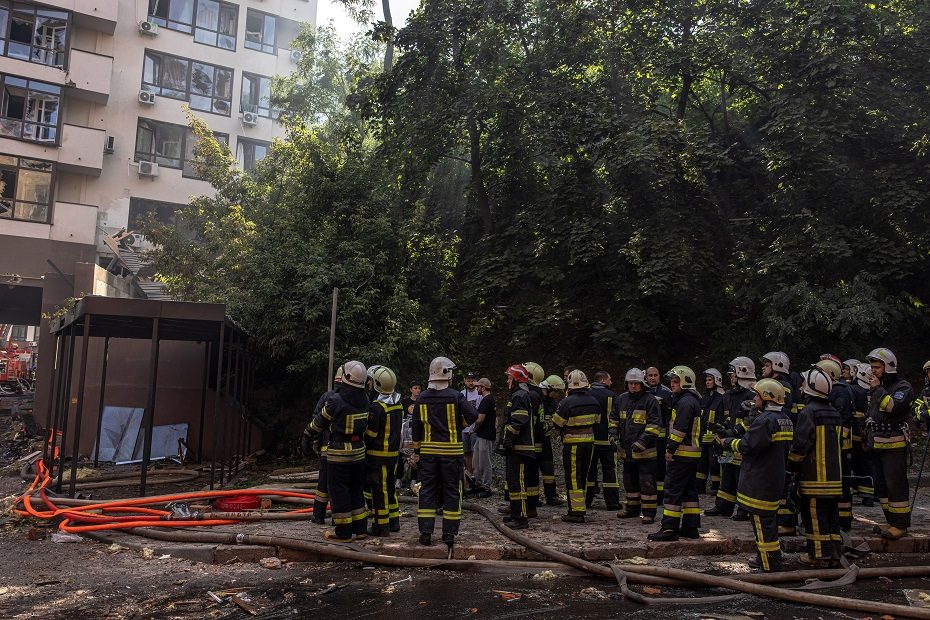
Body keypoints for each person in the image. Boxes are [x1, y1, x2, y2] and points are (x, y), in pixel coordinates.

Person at [718, 378, 793, 572]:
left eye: (757, 395)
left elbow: (747, 446)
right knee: (767, 525)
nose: (754, 398)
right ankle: (767, 559)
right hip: (773, 479)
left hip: (760, 481)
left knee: (763, 526)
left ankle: (769, 566)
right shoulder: (784, 419)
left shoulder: (765, 420)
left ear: (767, 398)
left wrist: (727, 442)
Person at [412, 356, 479, 548]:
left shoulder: (422, 397)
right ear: (448, 374)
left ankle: (426, 532)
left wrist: (417, 450)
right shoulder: (456, 396)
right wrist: (459, 425)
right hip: (451, 453)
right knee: (452, 491)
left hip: (428, 454)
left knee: (427, 491)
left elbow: (416, 427)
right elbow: (473, 415)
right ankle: (449, 534)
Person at [307, 360, 370, 542]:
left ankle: (343, 532)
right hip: (359, 453)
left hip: (339, 454)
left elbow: (319, 422)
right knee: (356, 490)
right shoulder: (365, 399)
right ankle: (360, 529)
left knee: (339, 491)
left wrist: (306, 436)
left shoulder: (336, 400)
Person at [789, 366, 843, 567]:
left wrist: (791, 465)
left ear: (811, 387)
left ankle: (818, 556)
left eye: (804, 384)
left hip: (814, 479)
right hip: (834, 480)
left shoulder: (809, 412)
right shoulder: (834, 413)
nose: (801, 387)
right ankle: (835, 555)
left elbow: (801, 445)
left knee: (815, 518)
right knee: (832, 518)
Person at [865, 347, 915, 540]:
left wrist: (878, 388)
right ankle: (891, 520)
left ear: (888, 367)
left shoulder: (903, 387)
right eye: (872, 367)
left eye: (877, 367)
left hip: (894, 446)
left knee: (896, 486)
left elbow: (892, 408)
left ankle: (900, 525)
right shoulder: (879, 386)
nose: (873, 370)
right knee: (881, 487)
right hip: (877, 445)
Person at [648, 366, 702, 542]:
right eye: (671, 381)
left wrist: (670, 449)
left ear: (686, 382)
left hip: (681, 453)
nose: (672, 384)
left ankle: (669, 528)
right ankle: (690, 527)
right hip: (690, 454)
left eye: (676, 381)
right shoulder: (690, 400)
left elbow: (679, 429)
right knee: (689, 492)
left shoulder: (685, 402)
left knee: (672, 490)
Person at [706, 356, 755, 521]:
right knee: (727, 475)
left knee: (743, 478)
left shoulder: (752, 394)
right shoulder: (729, 395)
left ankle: (743, 510)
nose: (731, 376)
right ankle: (723, 506)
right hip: (731, 441)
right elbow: (730, 416)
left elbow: (752, 420)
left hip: (744, 442)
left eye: (733, 373)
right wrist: (722, 430)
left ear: (742, 372)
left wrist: (734, 431)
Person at [611, 368, 662, 524]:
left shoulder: (650, 400)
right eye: (631, 383)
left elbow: (655, 425)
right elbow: (614, 420)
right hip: (627, 452)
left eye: (636, 383)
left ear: (642, 384)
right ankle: (632, 510)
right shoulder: (621, 399)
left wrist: (642, 442)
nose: (633, 386)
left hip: (645, 452)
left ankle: (649, 513)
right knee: (629, 481)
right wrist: (613, 435)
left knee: (647, 483)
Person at [551, 370, 599, 522]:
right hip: (589, 443)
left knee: (573, 477)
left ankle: (576, 512)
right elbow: (597, 421)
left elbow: (557, 423)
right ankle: (581, 506)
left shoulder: (566, 402)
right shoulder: (594, 400)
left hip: (572, 445)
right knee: (583, 475)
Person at [760, 351, 799, 535]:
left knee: (784, 482)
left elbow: (781, 414)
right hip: (781, 438)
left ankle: (787, 522)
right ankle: (782, 519)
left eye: (767, 365)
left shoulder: (783, 386)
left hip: (782, 440)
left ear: (777, 367)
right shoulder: (780, 385)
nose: (763, 368)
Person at [816, 356, 855, 532]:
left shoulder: (839, 391)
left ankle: (843, 522)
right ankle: (839, 521)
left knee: (842, 484)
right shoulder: (839, 389)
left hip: (839, 446)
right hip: (837, 445)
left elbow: (841, 418)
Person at [499, 364, 539, 530]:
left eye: (509, 378)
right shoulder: (519, 394)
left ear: (516, 380)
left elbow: (519, 421)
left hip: (520, 447)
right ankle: (516, 513)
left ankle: (521, 518)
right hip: (517, 447)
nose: (507, 381)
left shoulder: (519, 396)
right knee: (514, 482)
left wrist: (508, 437)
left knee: (518, 484)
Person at [365, 366, 403, 536]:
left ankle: (381, 526)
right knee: (390, 488)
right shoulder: (398, 403)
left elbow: (371, 433)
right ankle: (394, 522)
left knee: (379, 491)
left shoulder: (377, 407)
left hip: (377, 455)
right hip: (393, 454)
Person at [303, 366, 342, 525]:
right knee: (339, 485)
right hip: (345, 452)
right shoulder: (355, 399)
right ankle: (337, 518)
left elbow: (316, 419)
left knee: (323, 484)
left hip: (326, 448)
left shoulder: (328, 396)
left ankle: (318, 516)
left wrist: (313, 440)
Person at [587, 371, 621, 510]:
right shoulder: (612, 396)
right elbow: (616, 417)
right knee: (610, 472)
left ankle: (586, 502)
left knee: (589, 472)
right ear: (603, 381)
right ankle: (612, 503)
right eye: (609, 379)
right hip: (608, 441)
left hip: (590, 440)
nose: (611, 382)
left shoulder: (586, 393)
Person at [524, 362, 552, 507]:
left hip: (530, 442)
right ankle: (532, 503)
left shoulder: (530, 395)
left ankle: (530, 504)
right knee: (532, 473)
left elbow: (528, 421)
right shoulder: (538, 394)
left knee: (529, 473)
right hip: (538, 441)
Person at [645, 366, 673, 505]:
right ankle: (648, 493)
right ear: (646, 377)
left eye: (655, 375)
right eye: (650, 375)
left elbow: (669, 417)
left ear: (659, 376)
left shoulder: (666, 393)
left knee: (661, 467)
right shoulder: (642, 391)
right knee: (647, 466)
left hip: (661, 438)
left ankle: (660, 496)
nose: (653, 377)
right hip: (646, 436)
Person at [848, 361, 874, 505]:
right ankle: (868, 494)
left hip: (855, 432)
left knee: (855, 463)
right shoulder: (874, 390)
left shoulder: (853, 389)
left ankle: (856, 490)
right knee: (866, 464)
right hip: (869, 434)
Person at [538, 374, 567, 506]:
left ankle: (551, 496)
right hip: (534, 440)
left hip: (546, 439)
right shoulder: (536, 398)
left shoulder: (551, 401)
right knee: (532, 470)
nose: (557, 395)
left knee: (548, 469)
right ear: (550, 389)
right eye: (556, 392)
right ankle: (532, 499)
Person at [698, 369, 726, 495]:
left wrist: (718, 434)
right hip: (702, 436)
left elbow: (721, 418)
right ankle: (699, 487)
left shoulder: (721, 398)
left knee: (713, 463)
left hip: (714, 437)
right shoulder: (703, 398)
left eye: (710, 380)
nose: (707, 382)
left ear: (717, 381)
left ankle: (716, 487)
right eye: (706, 380)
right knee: (701, 463)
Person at [471, 377, 496, 498]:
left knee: (485, 462)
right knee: (477, 461)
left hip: (486, 435)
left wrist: (473, 428)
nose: (476, 389)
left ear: (483, 388)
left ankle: (486, 487)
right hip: (482, 434)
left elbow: (480, 419)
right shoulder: (486, 399)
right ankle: (478, 484)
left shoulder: (487, 400)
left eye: (478, 387)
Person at [397, 380, 422, 488]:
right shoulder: (404, 402)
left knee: (416, 454)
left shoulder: (422, 401)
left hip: (417, 433)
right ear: (411, 390)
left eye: (419, 388)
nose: (417, 390)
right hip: (405, 433)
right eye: (415, 388)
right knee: (401, 455)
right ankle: (398, 478)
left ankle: (413, 479)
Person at [461, 372, 481, 493]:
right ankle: (469, 474)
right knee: (466, 451)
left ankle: (476, 475)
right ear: (465, 381)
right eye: (468, 380)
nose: (470, 382)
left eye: (472, 380)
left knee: (475, 451)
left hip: (474, 428)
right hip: (464, 428)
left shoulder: (479, 394)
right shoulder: (462, 394)